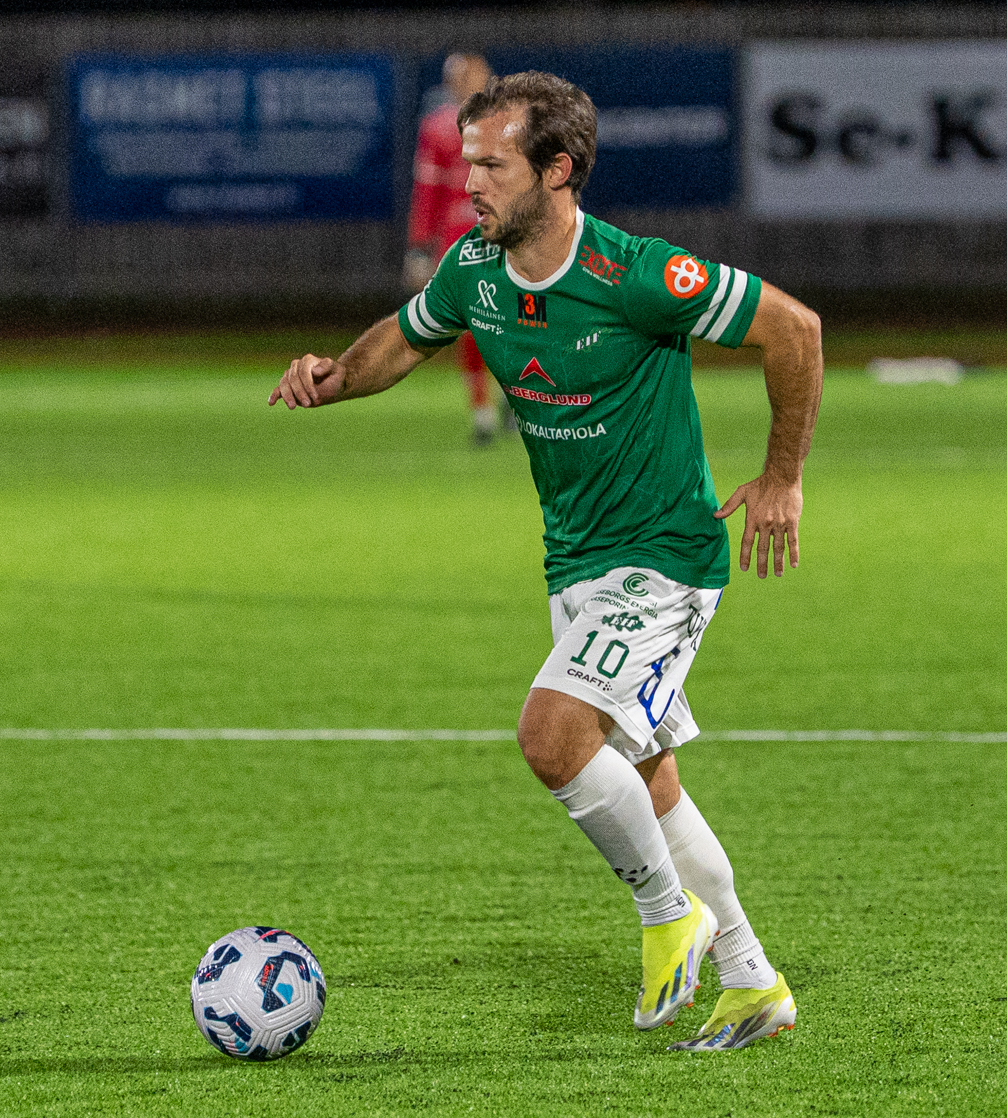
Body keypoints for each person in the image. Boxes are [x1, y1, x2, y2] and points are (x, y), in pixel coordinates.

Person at [271, 71, 822, 1051]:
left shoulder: (636, 275)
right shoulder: (475, 271)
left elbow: (794, 328)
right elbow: (406, 339)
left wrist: (781, 476)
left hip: (664, 557)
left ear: (557, 170)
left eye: (492, 165)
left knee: (552, 735)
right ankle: (751, 981)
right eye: (467, 161)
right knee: (648, 779)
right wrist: (333, 375)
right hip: (574, 562)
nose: (469, 182)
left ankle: (670, 915)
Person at [406, 52, 510, 446]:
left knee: (515, 319)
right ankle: (482, 411)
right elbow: (427, 191)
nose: (466, 84)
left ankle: (513, 395)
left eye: (473, 76)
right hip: (459, 240)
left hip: (503, 234)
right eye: (460, 78)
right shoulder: (436, 127)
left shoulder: (507, 124)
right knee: (470, 326)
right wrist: (419, 247)